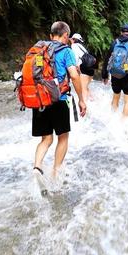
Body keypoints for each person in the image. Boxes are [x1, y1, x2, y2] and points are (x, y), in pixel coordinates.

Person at [33, 21, 87, 179]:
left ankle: (37, 167)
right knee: (63, 137)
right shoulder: (67, 51)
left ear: (51, 36)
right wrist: (81, 100)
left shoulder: (40, 50)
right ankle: (56, 173)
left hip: (40, 99)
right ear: (66, 36)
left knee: (46, 139)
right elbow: (75, 76)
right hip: (59, 99)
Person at [70, 33, 95, 101]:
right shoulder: (82, 47)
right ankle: (94, 101)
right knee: (85, 87)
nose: (71, 40)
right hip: (91, 69)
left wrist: (76, 69)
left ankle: (85, 106)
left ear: (74, 40)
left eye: (72, 39)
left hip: (84, 68)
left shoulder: (74, 45)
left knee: (83, 88)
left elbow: (76, 59)